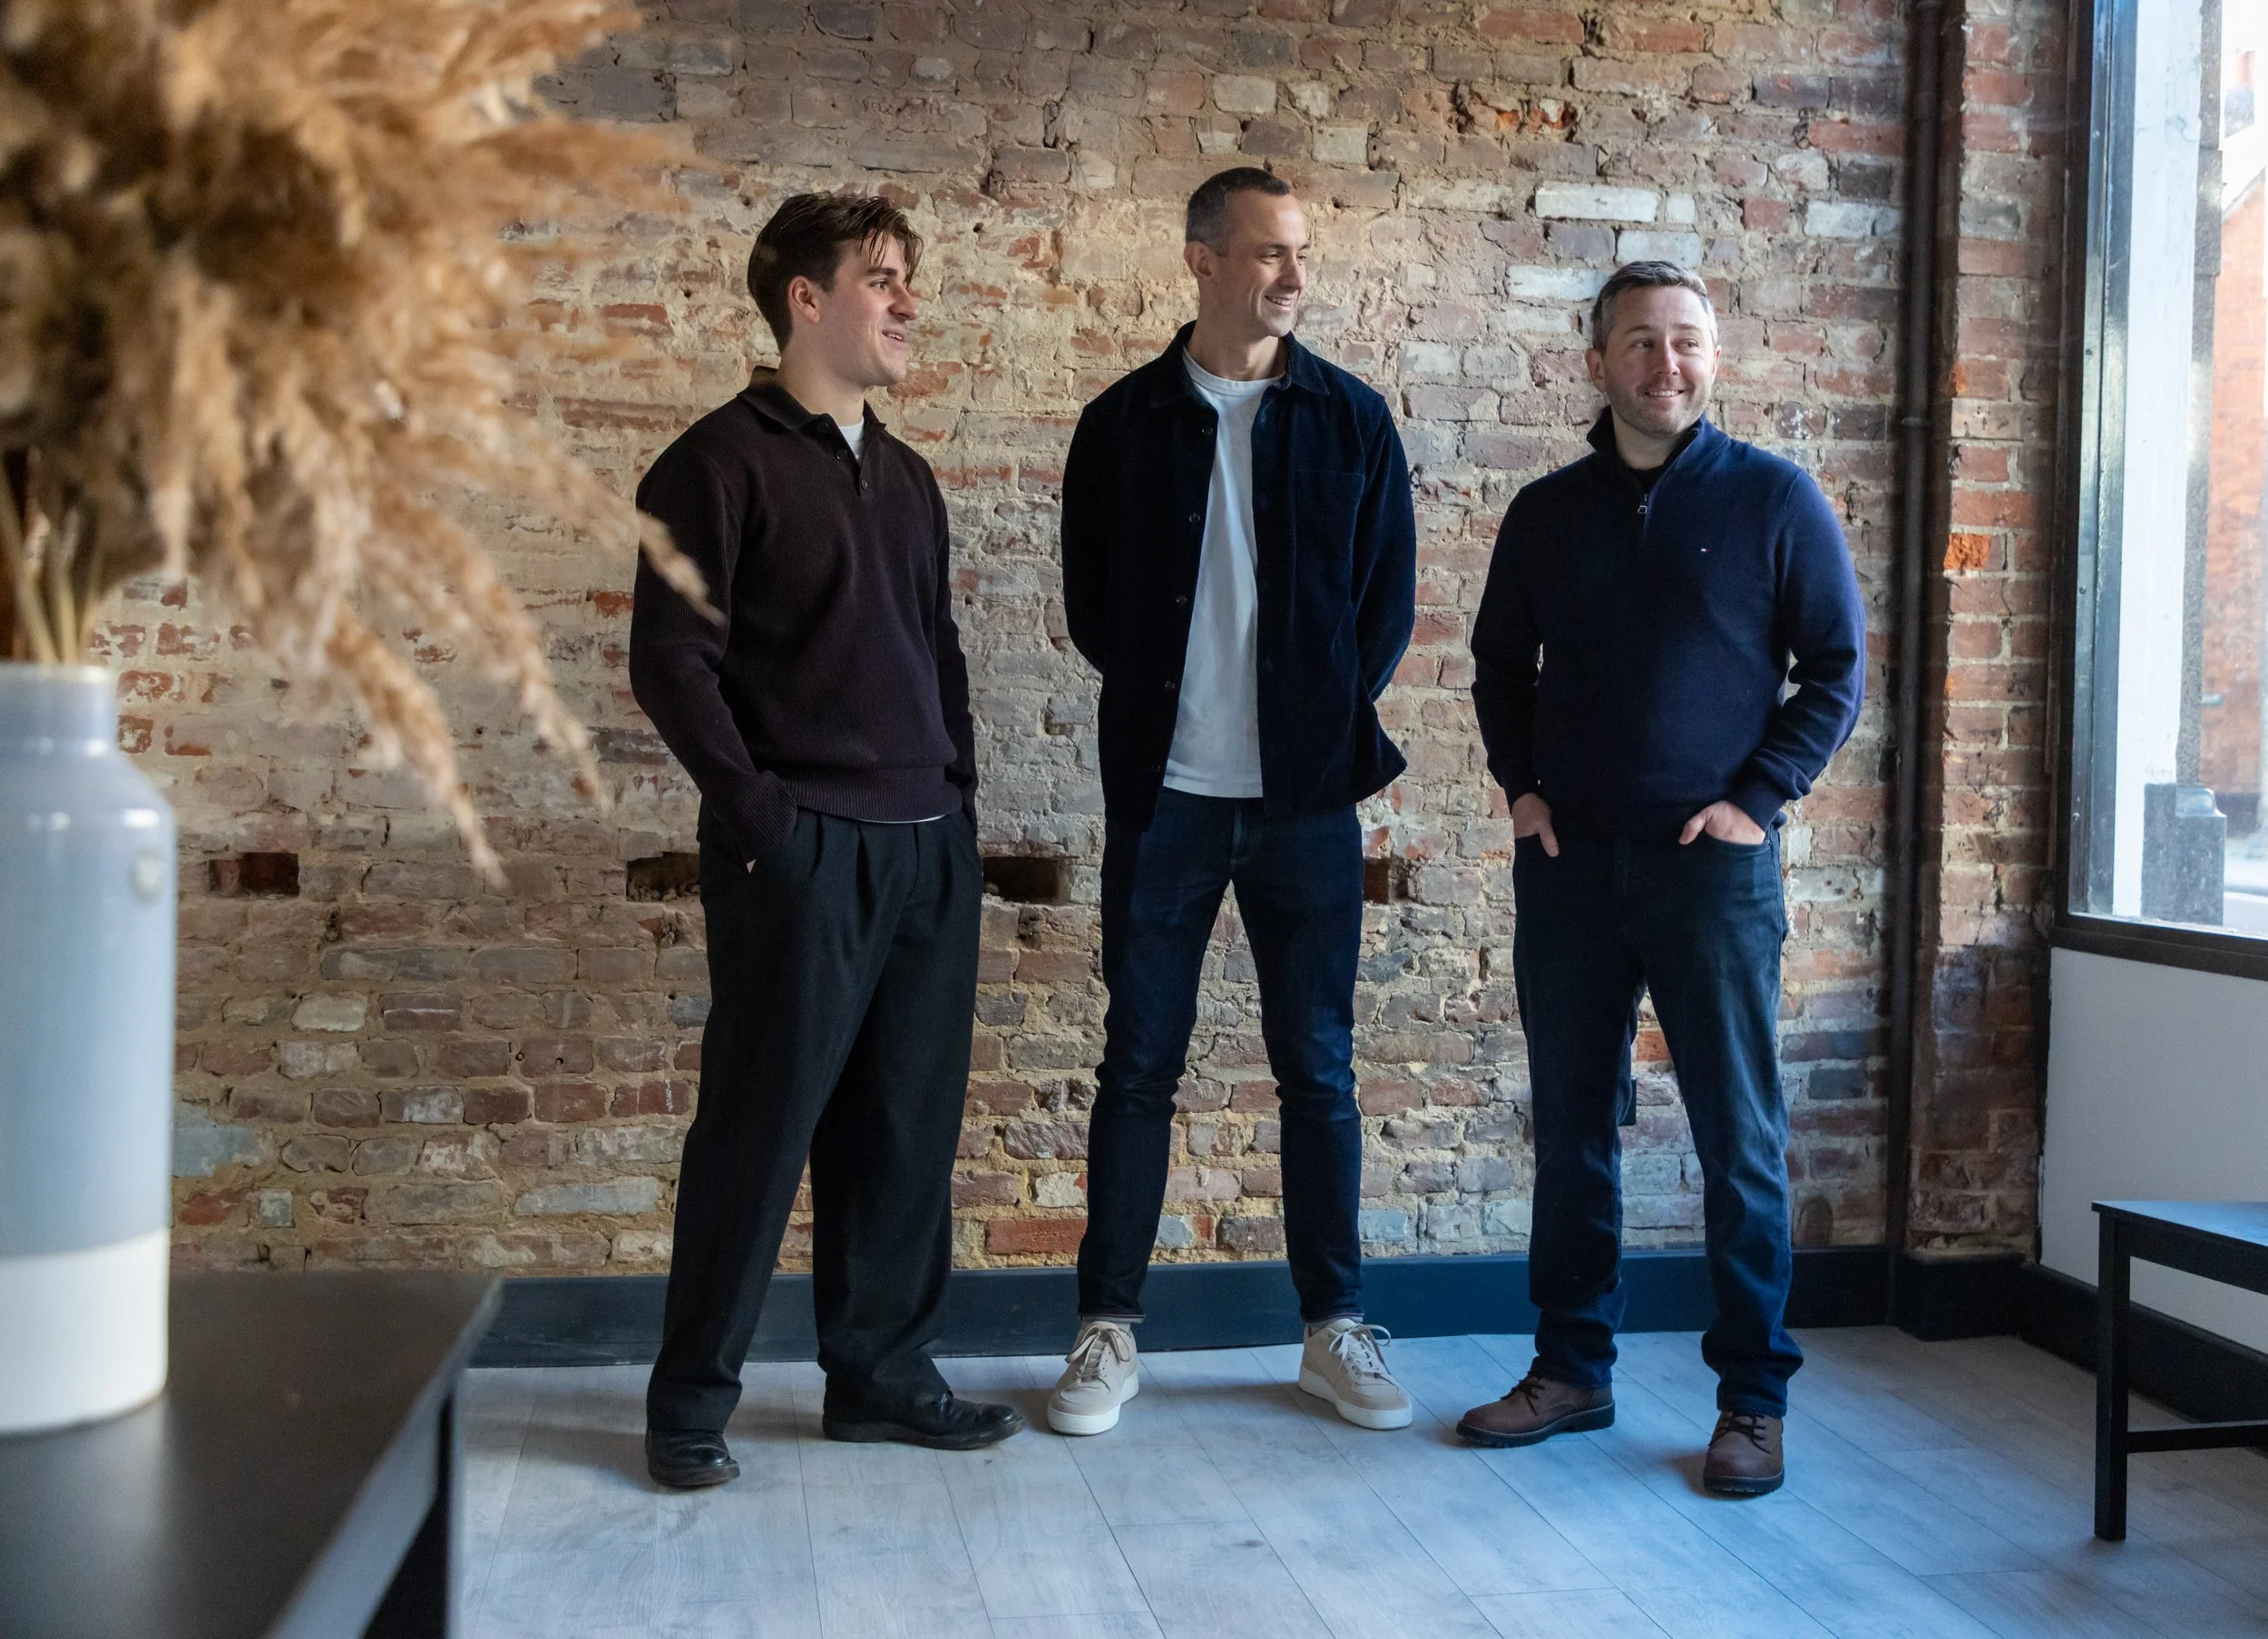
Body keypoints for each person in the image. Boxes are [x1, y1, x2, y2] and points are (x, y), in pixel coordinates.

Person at [630, 192, 1022, 1488]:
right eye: (882, 277)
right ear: (806, 297)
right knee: (755, 1130)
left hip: (924, 852)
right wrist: (765, 824)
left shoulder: (905, 477)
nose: (907, 300)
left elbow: (939, 654)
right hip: (800, 855)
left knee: (907, 1130)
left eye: (910, 277)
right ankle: (690, 1404)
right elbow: (672, 665)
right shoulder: (714, 463)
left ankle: (881, 1377)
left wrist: (957, 806)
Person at [1461, 260, 1864, 1498]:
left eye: (1687, 341)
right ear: (1596, 363)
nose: (1666, 364)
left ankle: (1754, 1400)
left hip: (1712, 872)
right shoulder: (1546, 513)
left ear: (1716, 358)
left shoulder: (1776, 501)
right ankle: (1572, 1367)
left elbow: (1834, 672)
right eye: (1639, 343)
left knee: (1740, 1136)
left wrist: (1756, 802)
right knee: (1573, 1128)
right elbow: (1495, 667)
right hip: (1572, 868)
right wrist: (1521, 790)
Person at [1049, 167, 1419, 1437]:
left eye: (1300, 253)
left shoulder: (1353, 422)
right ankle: (1106, 1328)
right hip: (1166, 800)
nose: (1293, 277)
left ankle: (1334, 1326)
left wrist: (1309, 724)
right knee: (1137, 1063)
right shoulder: (1121, 425)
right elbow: (1096, 612)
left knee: (1318, 1067)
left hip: (1308, 805)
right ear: (1201, 259)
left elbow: (1385, 615)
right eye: (1267, 253)